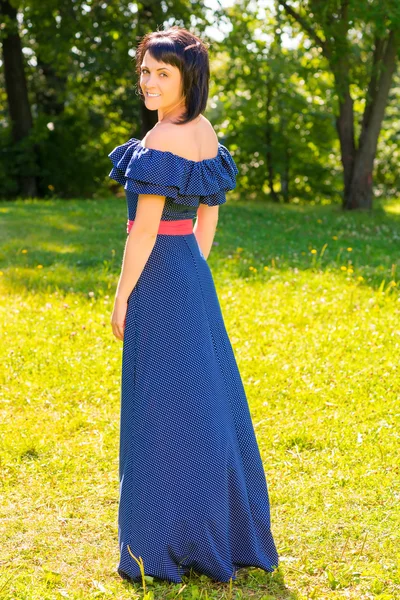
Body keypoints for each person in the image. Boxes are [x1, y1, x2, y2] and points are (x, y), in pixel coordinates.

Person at [108, 25, 279, 585]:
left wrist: (123, 294)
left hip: (158, 278)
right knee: (206, 402)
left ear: (188, 79)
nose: (149, 82)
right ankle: (222, 529)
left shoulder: (159, 144)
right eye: (145, 71)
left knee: (159, 410)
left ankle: (162, 544)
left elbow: (143, 233)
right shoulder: (203, 132)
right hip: (192, 275)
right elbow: (207, 219)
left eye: (162, 73)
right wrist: (192, 272)